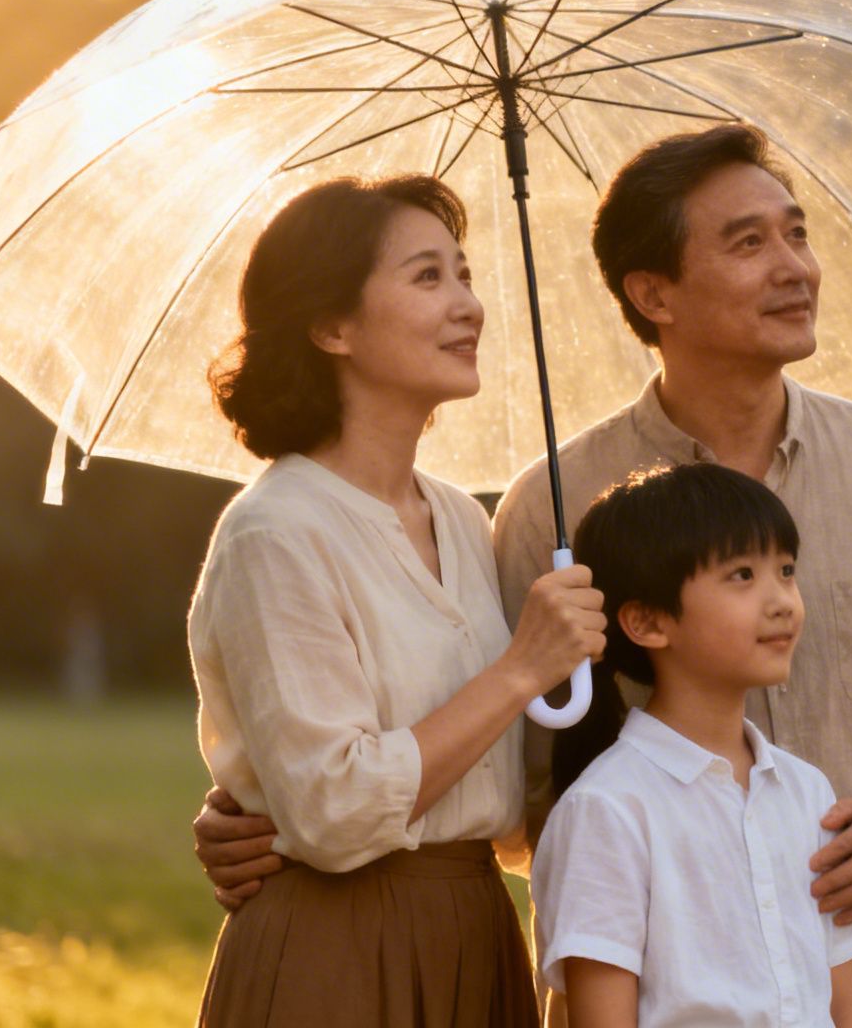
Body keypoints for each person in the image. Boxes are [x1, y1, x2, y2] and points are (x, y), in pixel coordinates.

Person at [198, 125, 852, 1028]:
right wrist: (262, 809)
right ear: (652, 291)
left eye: (796, 233)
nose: (794, 266)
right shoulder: (547, 511)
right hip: (650, 997)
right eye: (748, 243)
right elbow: (515, 780)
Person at [187, 174, 606, 1027]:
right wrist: (523, 668)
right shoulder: (276, 533)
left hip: (474, 930)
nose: (469, 305)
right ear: (332, 326)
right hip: (338, 951)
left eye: (465, 274)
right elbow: (334, 811)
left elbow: (499, 793)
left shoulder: (458, 516)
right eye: (427, 278)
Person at [533, 462, 852, 1027]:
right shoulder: (607, 809)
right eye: (742, 575)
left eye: (786, 571)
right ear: (646, 622)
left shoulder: (807, 791)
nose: (783, 600)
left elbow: (843, 1004)